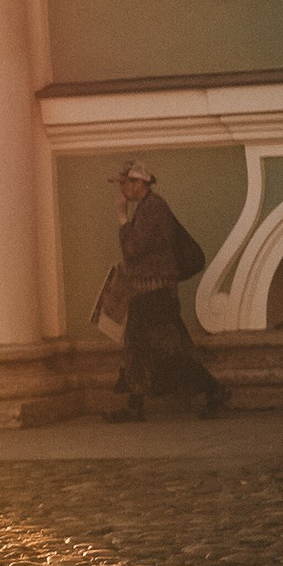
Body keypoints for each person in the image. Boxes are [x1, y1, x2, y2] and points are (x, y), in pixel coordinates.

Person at [94, 159, 223, 422]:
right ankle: (134, 406)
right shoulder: (147, 208)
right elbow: (140, 254)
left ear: (139, 182)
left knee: (169, 351)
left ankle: (215, 390)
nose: (121, 190)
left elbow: (133, 248)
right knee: (137, 348)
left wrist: (121, 217)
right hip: (146, 292)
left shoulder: (154, 208)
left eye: (124, 183)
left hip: (157, 293)